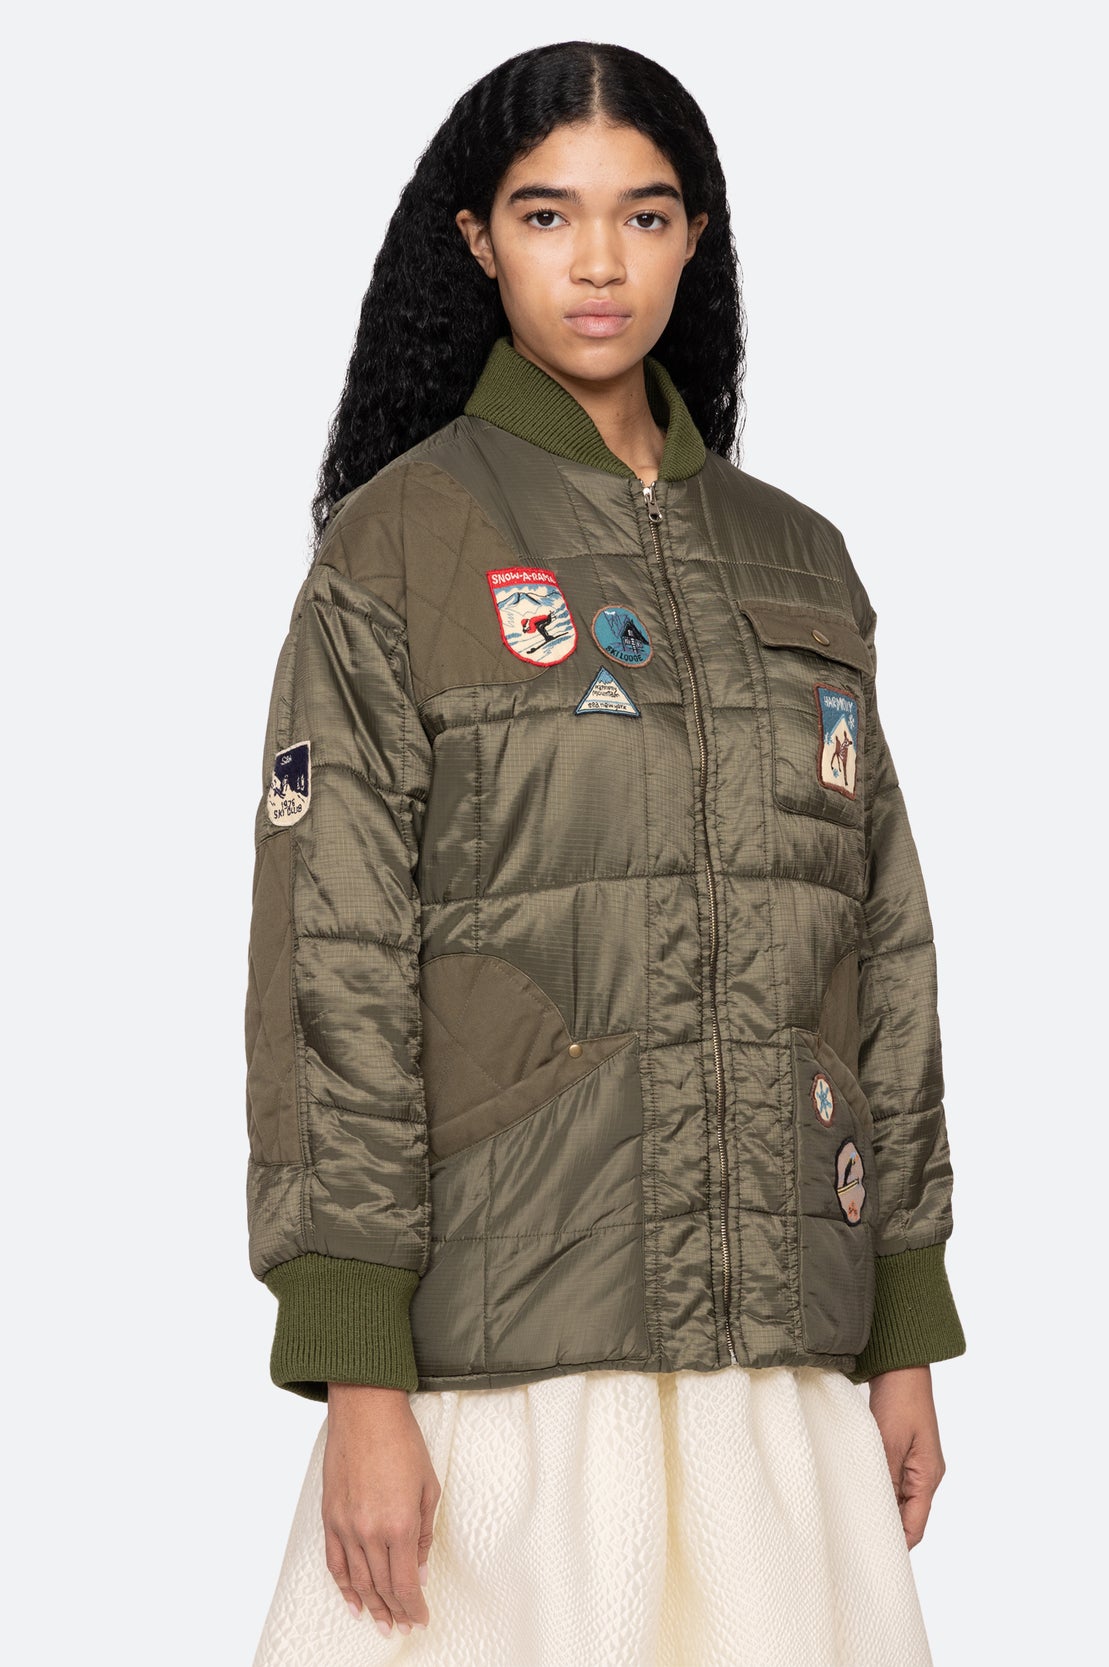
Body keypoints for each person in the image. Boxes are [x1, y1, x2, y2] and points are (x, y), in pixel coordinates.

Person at [245, 39, 967, 1667]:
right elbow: (330, 964)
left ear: (695, 237)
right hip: (508, 1360)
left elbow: (880, 949)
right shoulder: (400, 546)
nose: (597, 262)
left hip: (781, 1359)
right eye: (546, 214)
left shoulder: (800, 560)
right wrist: (359, 1371)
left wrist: (906, 1321)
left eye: (642, 216)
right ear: (476, 240)